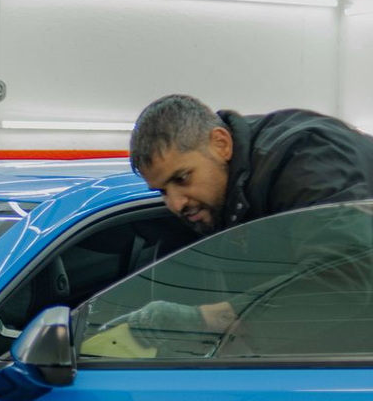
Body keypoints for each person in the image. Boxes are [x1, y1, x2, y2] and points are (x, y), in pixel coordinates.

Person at [121, 95, 373, 340]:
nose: (175, 203)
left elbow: (343, 276)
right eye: (163, 191)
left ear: (221, 144)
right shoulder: (225, 192)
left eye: (182, 178)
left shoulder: (308, 159)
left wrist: (203, 320)